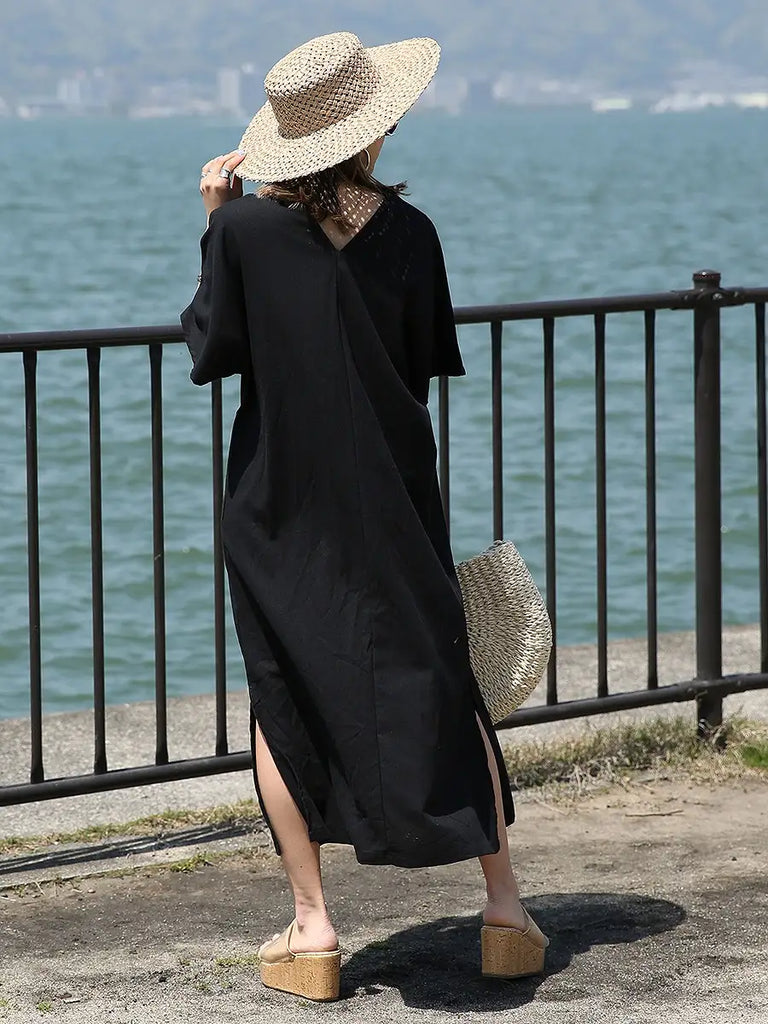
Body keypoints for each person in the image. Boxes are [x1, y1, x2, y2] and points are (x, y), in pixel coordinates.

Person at [181, 30, 548, 1002]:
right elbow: (418, 366)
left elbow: (213, 348)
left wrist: (216, 223)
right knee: (444, 680)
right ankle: (505, 911)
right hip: (393, 494)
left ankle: (313, 928)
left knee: (281, 696)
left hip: (278, 503)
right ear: (371, 128)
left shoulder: (245, 232)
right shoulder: (412, 233)